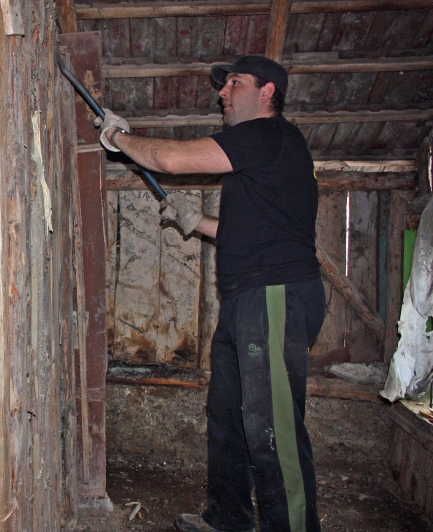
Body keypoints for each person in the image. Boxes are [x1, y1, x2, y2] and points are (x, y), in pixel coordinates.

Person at [97, 55, 325, 532]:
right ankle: (228, 521)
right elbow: (246, 232)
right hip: (249, 300)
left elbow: (171, 160)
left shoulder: (268, 134)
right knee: (230, 418)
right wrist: (194, 220)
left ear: (267, 92)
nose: (223, 92)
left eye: (235, 82)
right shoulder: (260, 156)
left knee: (272, 429)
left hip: (274, 296)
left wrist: (118, 137)